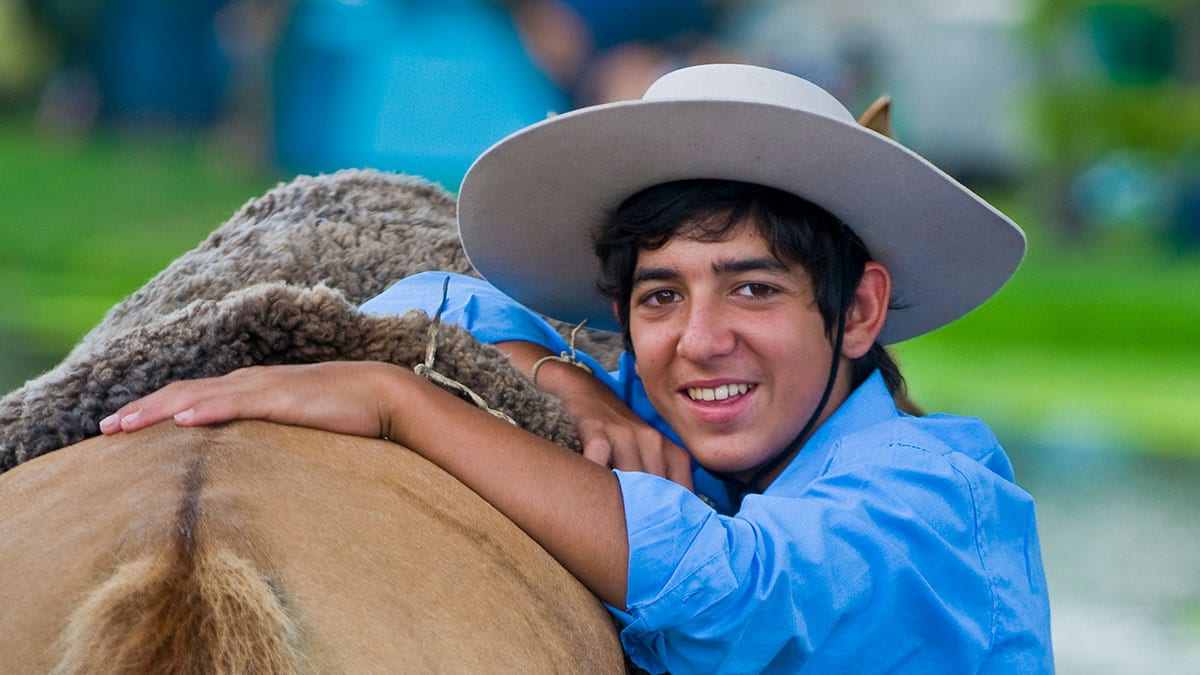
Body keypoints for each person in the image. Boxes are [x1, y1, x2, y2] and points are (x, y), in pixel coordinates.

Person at [100, 64, 1053, 672]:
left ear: (859, 312)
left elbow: (741, 587)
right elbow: (427, 296)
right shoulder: (662, 405)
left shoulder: (938, 496)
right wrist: (552, 376)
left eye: (754, 290)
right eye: (659, 296)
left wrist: (404, 399)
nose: (700, 341)